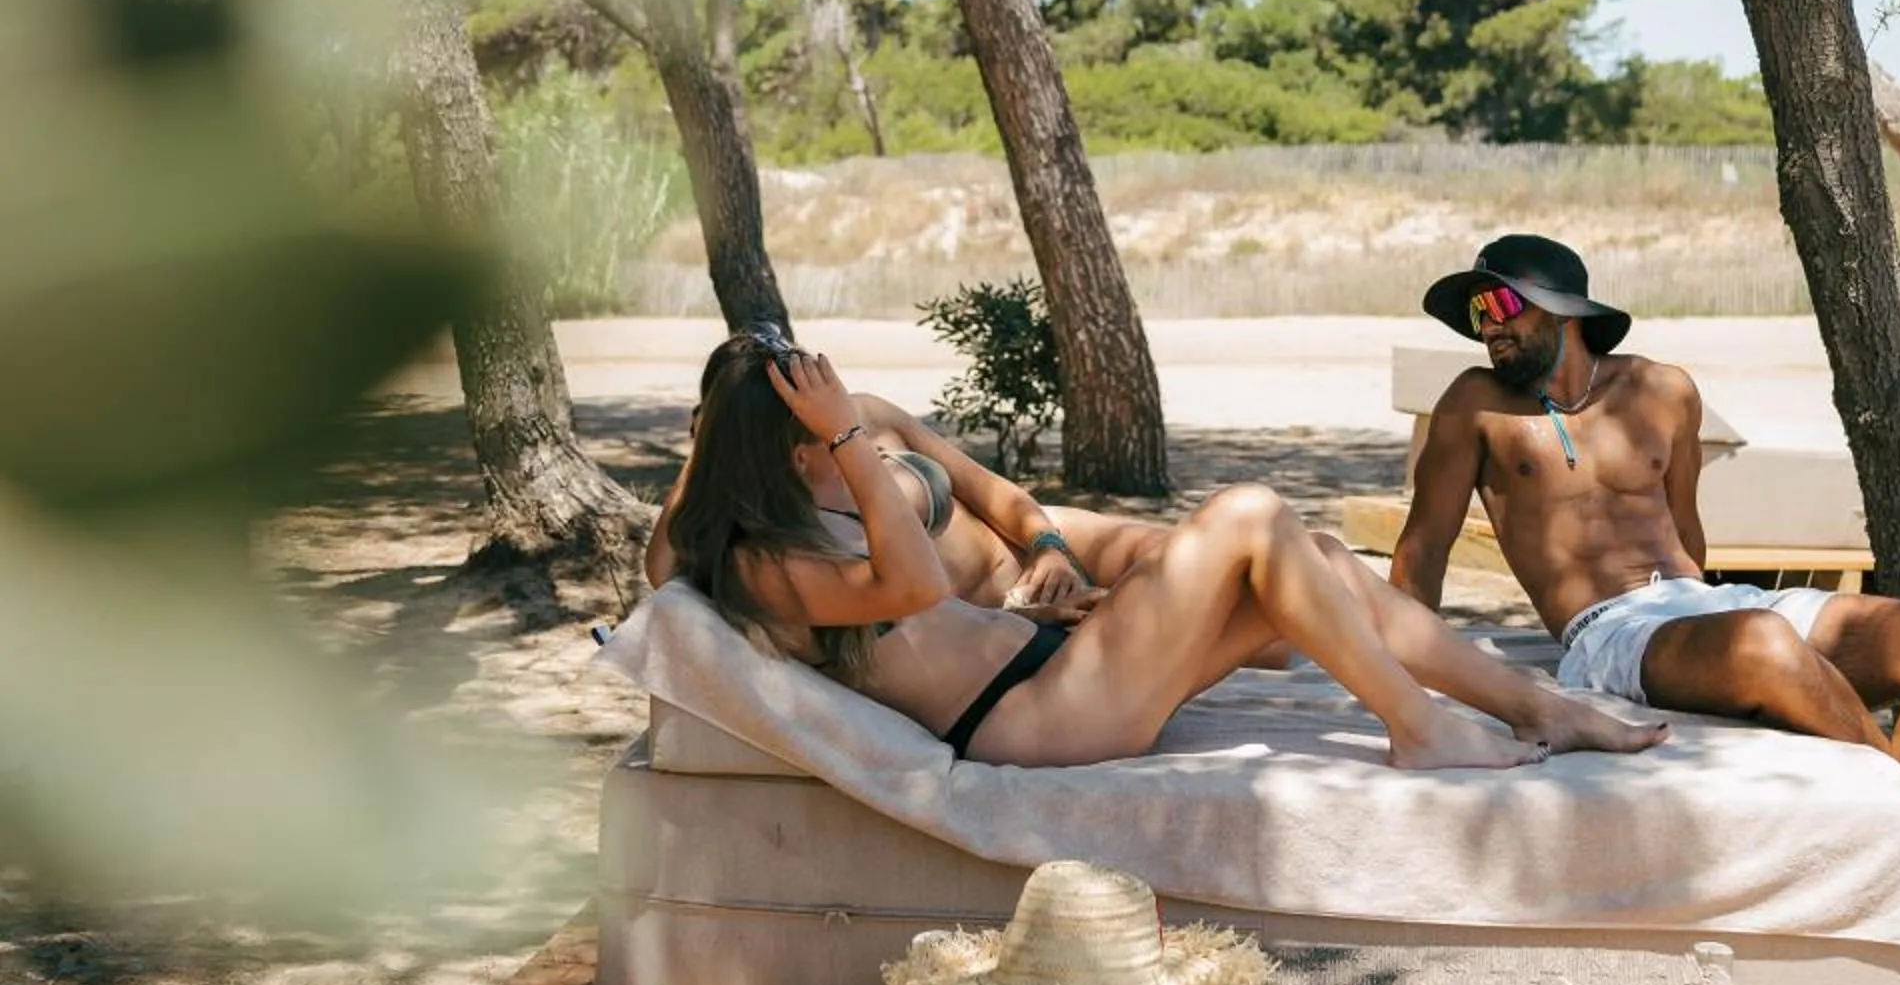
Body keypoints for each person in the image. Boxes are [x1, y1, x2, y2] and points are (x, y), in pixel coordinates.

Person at [1392, 231, 1900, 985]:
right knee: (1764, 646)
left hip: (1705, 605)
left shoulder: (1665, 390)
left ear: (1564, 311)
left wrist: (1707, 618)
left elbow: (1688, 537)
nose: (1489, 326)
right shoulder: (1474, 405)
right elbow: (1423, 551)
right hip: (1609, 632)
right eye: (1478, 312)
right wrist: (1396, 684)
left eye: (1503, 304)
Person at [656, 326, 1669, 773]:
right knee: (1246, 514)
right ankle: (1418, 728)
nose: (845, 434)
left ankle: (1535, 706)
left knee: (1314, 556)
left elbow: (939, 592)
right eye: (819, 430)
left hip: (1049, 663)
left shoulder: (823, 493)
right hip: (1028, 720)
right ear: (781, 449)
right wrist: (822, 436)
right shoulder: (757, 562)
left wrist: (1030, 604)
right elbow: (912, 586)